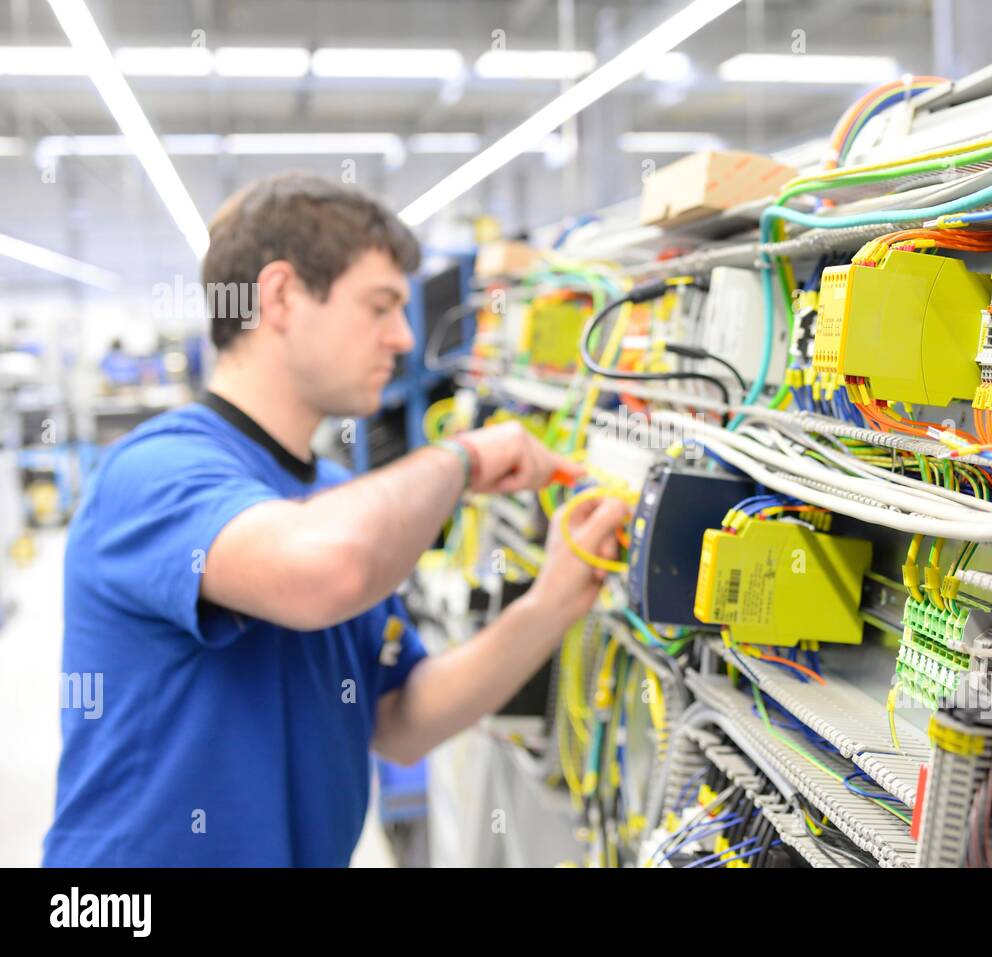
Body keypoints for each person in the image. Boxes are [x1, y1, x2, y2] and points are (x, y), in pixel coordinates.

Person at [43, 172, 627, 867]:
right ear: (282, 296)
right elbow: (326, 568)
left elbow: (402, 719)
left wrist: (556, 595)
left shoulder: (332, 492)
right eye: (379, 306)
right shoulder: (154, 472)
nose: (405, 338)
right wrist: (464, 458)